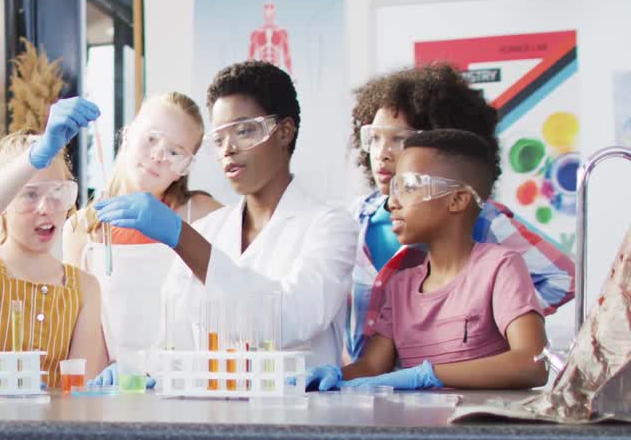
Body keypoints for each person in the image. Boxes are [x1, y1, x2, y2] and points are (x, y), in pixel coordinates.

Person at [91, 61, 357, 378]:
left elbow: (289, 320)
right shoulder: (209, 229)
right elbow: (175, 345)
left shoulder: (330, 226)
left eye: (244, 131)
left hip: (296, 420)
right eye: (219, 138)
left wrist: (182, 237)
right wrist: (138, 371)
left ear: (284, 131)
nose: (228, 149)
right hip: (216, 421)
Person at [346, 62, 574, 360]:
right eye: (374, 138)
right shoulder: (354, 219)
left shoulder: (482, 219)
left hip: (452, 387)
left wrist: (490, 318)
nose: (382, 153)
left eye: (399, 139)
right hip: (371, 387)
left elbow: (562, 278)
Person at [308, 130, 548, 391]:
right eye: (394, 188)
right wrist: (332, 377)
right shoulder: (400, 286)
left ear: (457, 200)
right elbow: (371, 368)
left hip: (477, 429)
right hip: (420, 431)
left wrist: (429, 375)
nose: (391, 203)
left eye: (408, 187)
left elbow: (533, 364)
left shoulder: (500, 267)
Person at [0, 97, 108, 386]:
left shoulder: (85, 288)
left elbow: (78, 391)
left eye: (57, 193)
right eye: (30, 194)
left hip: (54, 430)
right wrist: (35, 156)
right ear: (2, 203)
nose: (46, 208)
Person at [62, 92, 223, 365]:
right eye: (151, 138)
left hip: (187, 387)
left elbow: (237, 292)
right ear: (127, 135)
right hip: (116, 391)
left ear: (184, 168)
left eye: (175, 152)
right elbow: (83, 331)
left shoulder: (204, 215)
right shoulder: (81, 229)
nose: (159, 155)